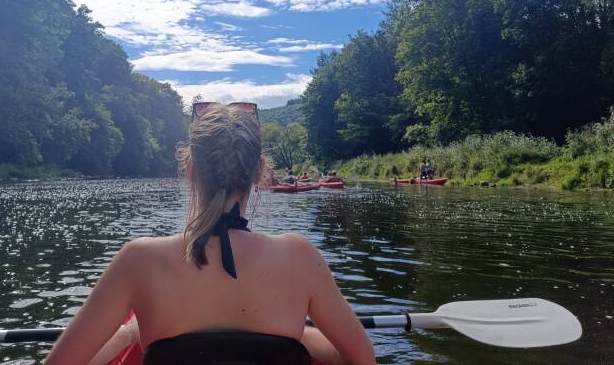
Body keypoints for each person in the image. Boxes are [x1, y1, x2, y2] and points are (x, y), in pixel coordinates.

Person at [45, 103, 376, 365]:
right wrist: (296, 334)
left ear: (190, 170)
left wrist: (128, 334)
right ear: (260, 172)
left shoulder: (138, 260)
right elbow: (361, 359)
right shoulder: (300, 257)